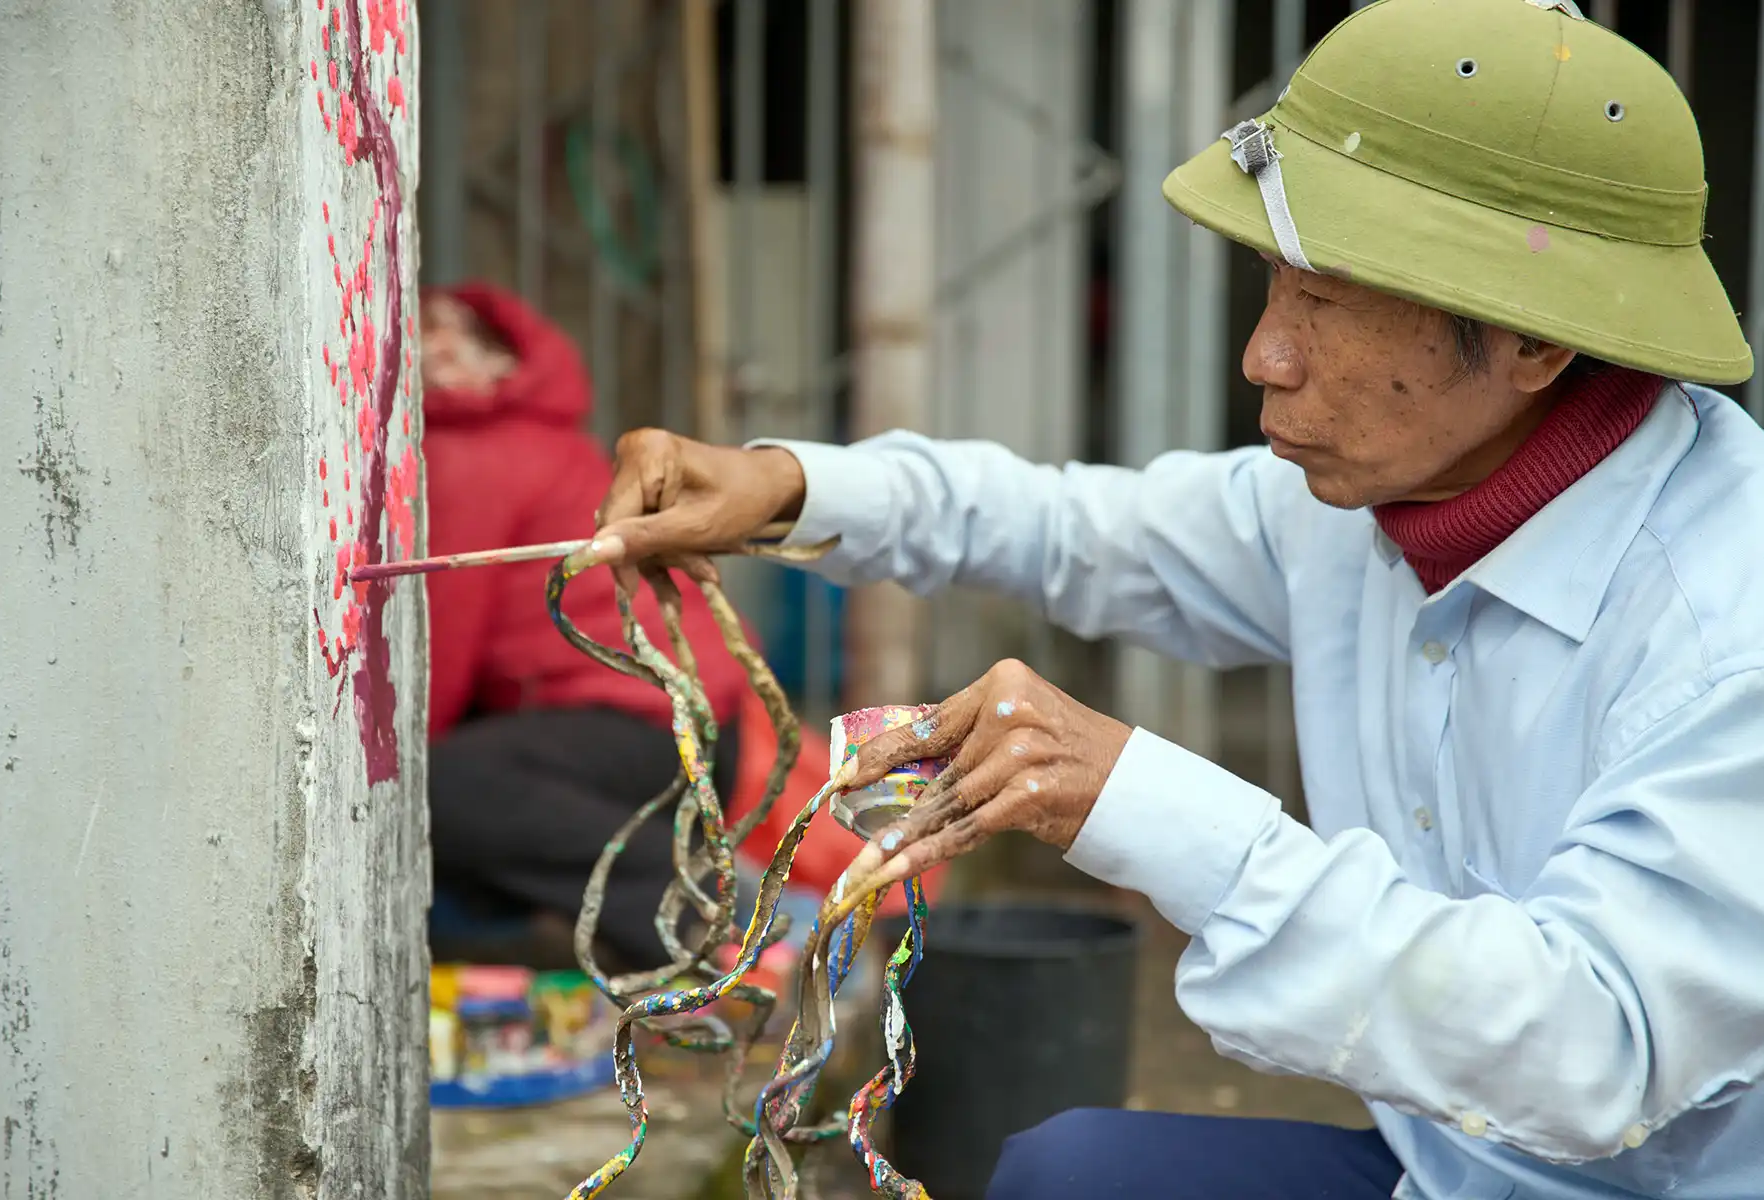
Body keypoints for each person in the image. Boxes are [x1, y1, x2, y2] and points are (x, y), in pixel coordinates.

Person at [580, 2, 1764, 1197]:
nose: (1265, 354)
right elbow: (1084, 530)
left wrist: (1154, 808)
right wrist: (785, 484)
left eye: (1331, 304)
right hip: (1448, 1170)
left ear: (1536, 345)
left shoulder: (1728, 630)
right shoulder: (1390, 491)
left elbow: (1599, 1049)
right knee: (1067, 1172)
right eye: (1273, 285)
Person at [419, 283, 750, 973]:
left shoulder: (472, 453)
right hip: (696, 717)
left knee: (433, 788)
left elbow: (435, 654)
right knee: (471, 792)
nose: (437, 355)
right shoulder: (541, 436)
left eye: (451, 342)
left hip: (644, 721)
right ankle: (603, 930)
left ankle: (696, 909)